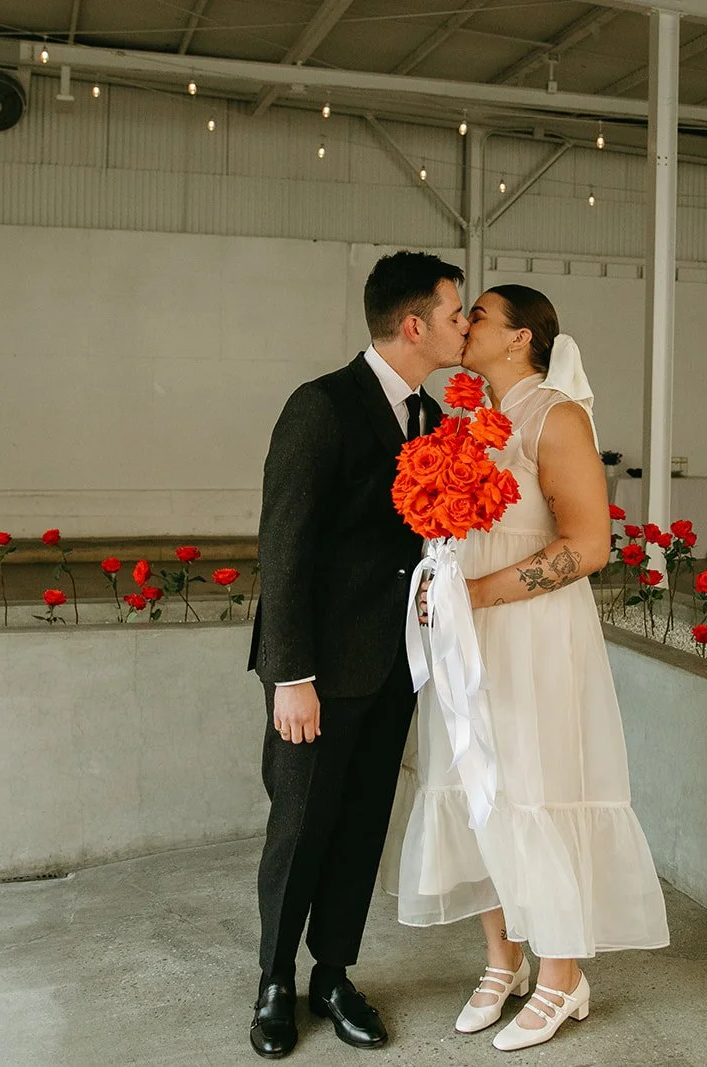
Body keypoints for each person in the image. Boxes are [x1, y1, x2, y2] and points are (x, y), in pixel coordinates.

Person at [395, 284, 669, 1052]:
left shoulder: (556, 416)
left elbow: (589, 545)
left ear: (521, 339)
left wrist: (477, 590)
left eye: (478, 313)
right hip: (471, 637)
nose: (465, 322)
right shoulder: (465, 422)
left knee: (539, 785)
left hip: (534, 635)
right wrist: (440, 583)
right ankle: (501, 959)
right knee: (479, 787)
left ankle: (562, 974)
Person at [246, 252, 468, 1058]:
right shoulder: (322, 407)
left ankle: (332, 971)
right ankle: (274, 978)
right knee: (301, 828)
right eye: (454, 313)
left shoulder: (433, 421)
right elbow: (285, 548)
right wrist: (289, 676)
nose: (463, 325)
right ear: (414, 325)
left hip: (395, 668)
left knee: (363, 823)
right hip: (319, 675)